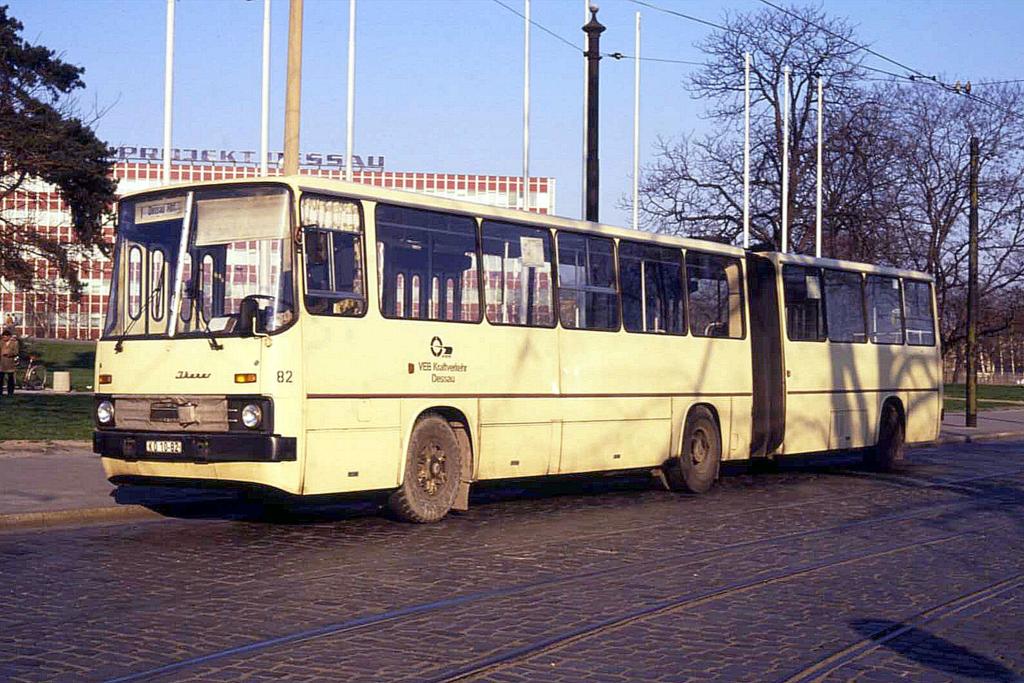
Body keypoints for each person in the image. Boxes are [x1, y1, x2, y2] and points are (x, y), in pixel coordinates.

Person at [0, 327, 18, 397]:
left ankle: (10, 392)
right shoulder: (1, 342)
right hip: (2, 364)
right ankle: (0, 392)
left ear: (9, 337)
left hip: (10, 363)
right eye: (3, 336)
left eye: (5, 336)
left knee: (10, 378)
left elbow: (16, 352)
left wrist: (9, 354)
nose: (4, 338)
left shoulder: (14, 343)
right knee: (1, 378)